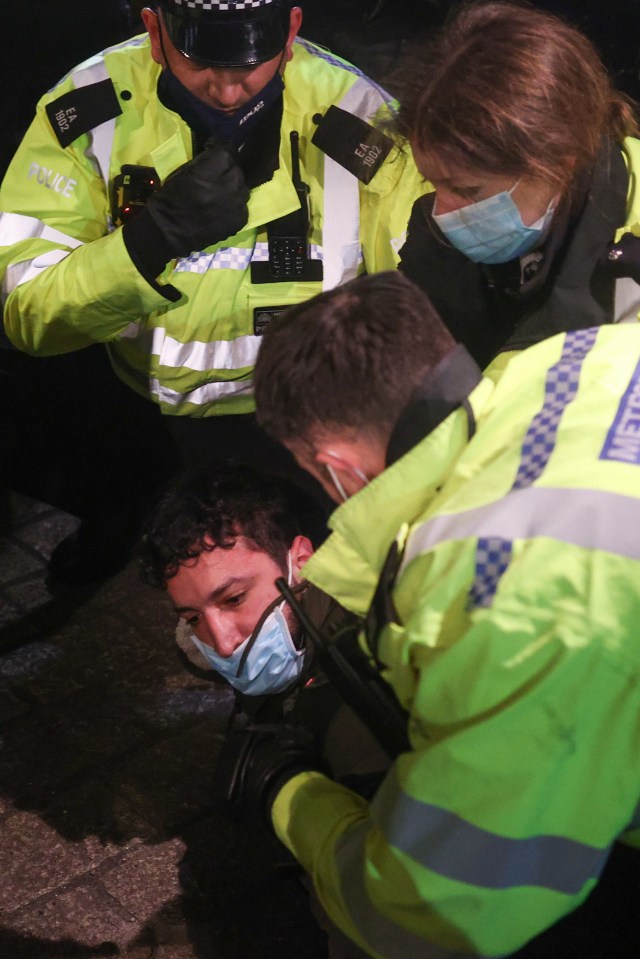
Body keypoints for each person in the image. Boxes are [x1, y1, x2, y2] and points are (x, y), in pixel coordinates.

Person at [210, 270, 640, 958]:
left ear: (336, 466)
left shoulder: (500, 609)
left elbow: (431, 913)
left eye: (310, 471)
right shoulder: (574, 357)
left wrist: (288, 794)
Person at [0, 0, 424, 499]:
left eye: (249, 61)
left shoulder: (361, 115)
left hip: (307, 422)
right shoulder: (88, 106)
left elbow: (418, 309)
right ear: (155, 32)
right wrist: (146, 241)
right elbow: (25, 312)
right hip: (139, 413)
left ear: (290, 31)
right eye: (199, 61)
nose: (226, 90)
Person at [138, 463, 388, 958]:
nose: (222, 642)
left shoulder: (366, 694)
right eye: (193, 618)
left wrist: (290, 795)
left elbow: (395, 910)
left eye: (233, 599)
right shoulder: (286, 629)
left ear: (302, 561)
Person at [395, 0, 640, 370]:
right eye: (431, 183)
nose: (441, 211)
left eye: (467, 191)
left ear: (558, 163)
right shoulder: (434, 241)